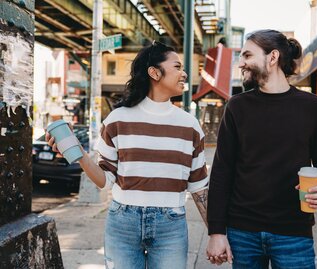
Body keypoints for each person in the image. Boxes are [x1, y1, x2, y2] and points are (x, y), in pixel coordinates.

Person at [46, 40, 209, 269]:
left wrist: (216, 235)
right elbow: (104, 180)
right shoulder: (117, 119)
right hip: (123, 222)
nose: (184, 73)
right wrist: (78, 152)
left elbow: (199, 187)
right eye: (177, 67)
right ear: (154, 72)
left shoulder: (190, 126)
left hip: (171, 226)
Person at [206, 29, 317, 268]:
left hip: (294, 231)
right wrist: (216, 232)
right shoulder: (237, 107)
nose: (241, 63)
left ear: (273, 57)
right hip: (242, 232)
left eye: (247, 55)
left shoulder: (312, 107)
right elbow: (222, 171)